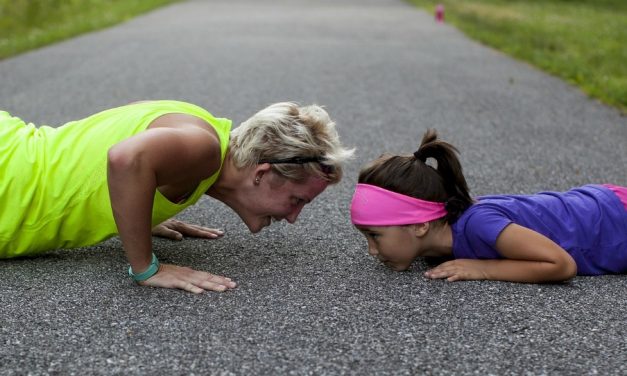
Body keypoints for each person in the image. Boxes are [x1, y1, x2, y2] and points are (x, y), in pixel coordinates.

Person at [1, 100, 354, 293]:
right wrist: (146, 267)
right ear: (262, 173)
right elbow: (126, 159)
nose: (293, 217)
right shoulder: (204, 148)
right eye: (297, 200)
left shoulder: (205, 135)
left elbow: (118, 160)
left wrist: (138, 212)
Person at [350, 129, 627, 283]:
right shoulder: (440, 237)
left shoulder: (479, 224)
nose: (372, 251)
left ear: (421, 225)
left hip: (618, 220)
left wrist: (483, 269)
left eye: (375, 236)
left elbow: (561, 264)